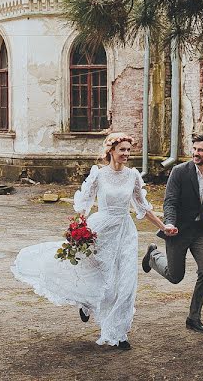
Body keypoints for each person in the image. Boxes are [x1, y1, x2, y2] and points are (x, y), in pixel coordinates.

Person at [11, 133, 169, 350]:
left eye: (128, 150)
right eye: (122, 150)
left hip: (125, 232)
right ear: (111, 151)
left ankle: (118, 333)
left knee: (126, 282)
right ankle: (87, 303)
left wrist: (164, 227)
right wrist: (78, 229)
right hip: (101, 229)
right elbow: (84, 205)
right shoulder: (99, 175)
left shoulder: (133, 176)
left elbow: (143, 208)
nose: (126, 154)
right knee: (100, 275)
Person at [142, 133, 203, 333]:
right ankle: (153, 256)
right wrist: (169, 223)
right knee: (175, 276)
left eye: (200, 150)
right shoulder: (179, 172)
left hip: (201, 230)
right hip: (178, 231)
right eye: (194, 149)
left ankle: (194, 317)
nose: (195, 153)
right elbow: (171, 201)